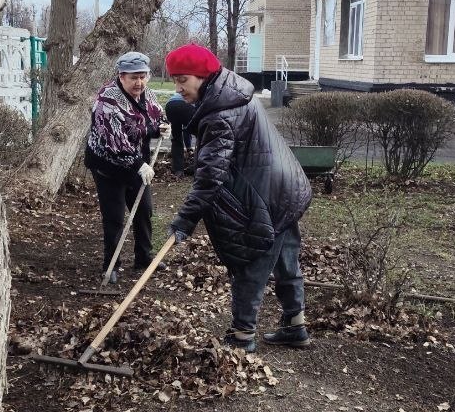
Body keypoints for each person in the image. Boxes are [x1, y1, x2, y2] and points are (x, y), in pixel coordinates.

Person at [164, 43, 312, 352]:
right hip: (284, 188)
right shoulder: (232, 90)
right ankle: (295, 325)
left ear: (203, 76)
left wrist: (184, 220)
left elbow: (209, 177)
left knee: (251, 264)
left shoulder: (220, 113)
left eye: (183, 80)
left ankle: (242, 336)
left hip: (267, 196)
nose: (178, 89)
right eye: (175, 80)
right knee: (285, 261)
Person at [85, 51, 167, 284]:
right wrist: (139, 165)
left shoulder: (146, 94)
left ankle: (144, 258)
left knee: (143, 210)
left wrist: (162, 127)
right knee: (115, 216)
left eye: (143, 76)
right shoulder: (107, 101)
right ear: (121, 76)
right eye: (134, 77)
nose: (139, 82)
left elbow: (156, 117)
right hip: (108, 166)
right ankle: (110, 265)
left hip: (136, 161)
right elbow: (115, 143)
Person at [164, 92, 197, 175]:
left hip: (170, 105)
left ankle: (178, 170)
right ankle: (196, 167)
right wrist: (189, 147)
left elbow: (186, 129)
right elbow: (187, 129)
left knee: (176, 138)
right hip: (186, 105)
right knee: (202, 136)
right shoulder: (195, 94)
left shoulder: (182, 93)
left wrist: (189, 147)